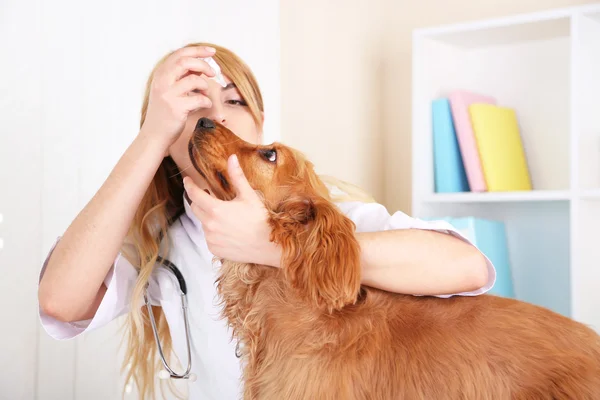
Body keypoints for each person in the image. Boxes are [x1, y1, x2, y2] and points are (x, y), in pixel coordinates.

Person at [37, 42, 496, 400]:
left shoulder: (320, 213)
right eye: (190, 104)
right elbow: (61, 300)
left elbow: (468, 267)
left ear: (259, 122)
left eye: (234, 101)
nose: (214, 116)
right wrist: (152, 133)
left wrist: (276, 246)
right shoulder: (161, 247)